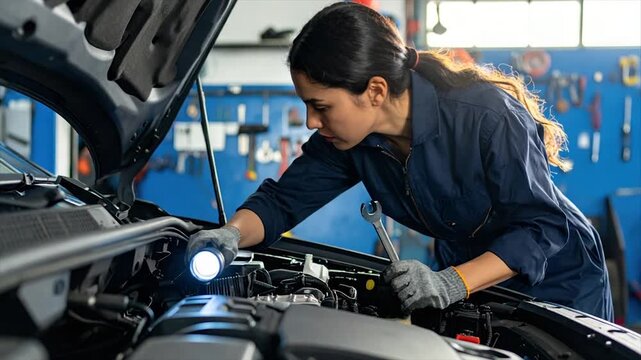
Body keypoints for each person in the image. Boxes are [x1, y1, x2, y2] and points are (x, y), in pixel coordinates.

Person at [188, 2, 613, 320]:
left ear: (374, 91)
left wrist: (452, 282)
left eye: (320, 106)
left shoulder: (485, 116)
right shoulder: (350, 141)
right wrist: (229, 234)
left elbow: (542, 227)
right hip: (472, 280)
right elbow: (282, 203)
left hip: (560, 282)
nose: (312, 121)